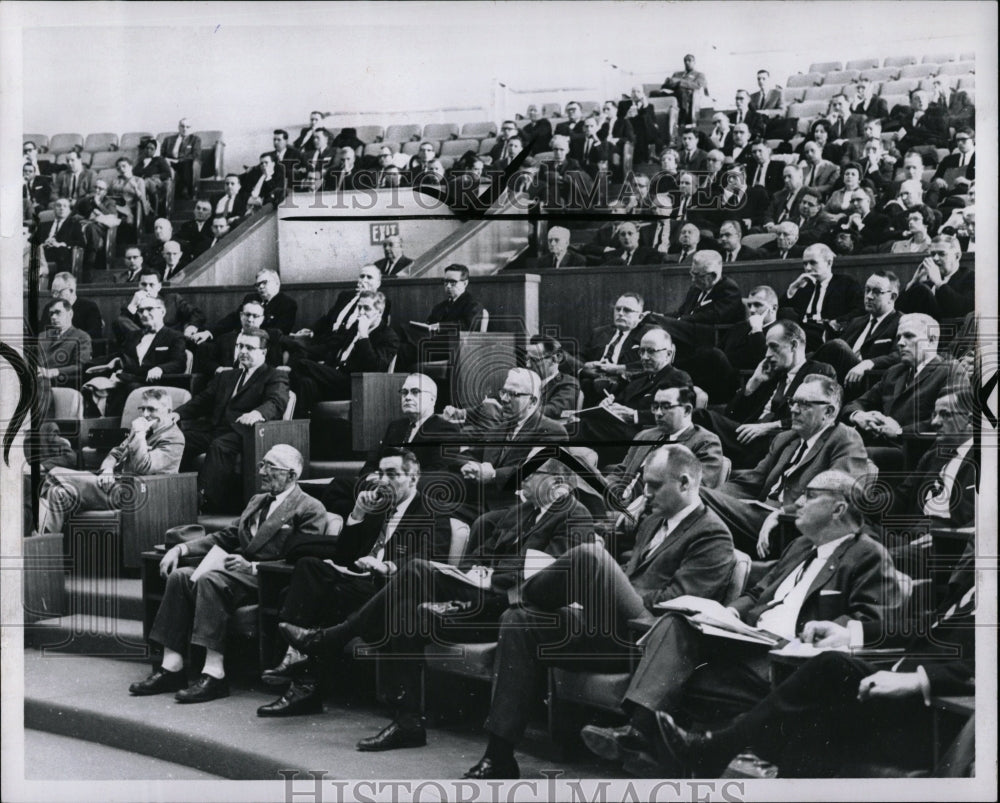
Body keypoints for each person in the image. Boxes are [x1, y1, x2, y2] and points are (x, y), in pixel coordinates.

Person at [581, 470, 900, 770]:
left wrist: (817, 633)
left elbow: (871, 621)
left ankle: (642, 737)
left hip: (787, 657)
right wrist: (730, 613)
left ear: (838, 508)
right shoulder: (801, 545)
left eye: (810, 495)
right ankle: (639, 731)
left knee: (677, 664)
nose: (798, 502)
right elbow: (760, 592)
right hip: (750, 640)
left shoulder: (867, 554)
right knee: (676, 623)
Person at [465, 444, 736, 777]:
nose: (646, 494)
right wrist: (606, 585)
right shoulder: (652, 522)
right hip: (605, 629)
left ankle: (508, 591)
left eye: (654, 486)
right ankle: (500, 754)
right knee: (518, 620)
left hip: (646, 637)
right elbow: (631, 568)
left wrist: (613, 585)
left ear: (684, 483)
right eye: (645, 485)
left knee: (589, 556)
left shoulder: (712, 534)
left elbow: (680, 601)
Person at [654, 544, 974, 778]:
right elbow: (924, 627)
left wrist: (918, 680)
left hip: (936, 719)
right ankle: (719, 749)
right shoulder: (971, 586)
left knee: (831, 669)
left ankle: (717, 748)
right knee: (811, 722)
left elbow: (983, 668)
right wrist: (851, 632)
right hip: (890, 698)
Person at [256, 449, 453, 715]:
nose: (383, 481)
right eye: (380, 474)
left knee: (304, 594)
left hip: (388, 591)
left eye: (392, 474)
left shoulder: (432, 512)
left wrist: (386, 566)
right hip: (358, 583)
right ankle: (301, 669)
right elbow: (345, 557)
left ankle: (301, 679)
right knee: (308, 568)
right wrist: (358, 513)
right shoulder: (376, 508)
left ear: (413, 478)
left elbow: (431, 559)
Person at [128, 445, 326, 703]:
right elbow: (226, 536)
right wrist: (181, 547)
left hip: (268, 579)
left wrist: (252, 567)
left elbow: (305, 559)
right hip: (234, 575)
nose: (262, 471)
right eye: (262, 464)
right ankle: (172, 667)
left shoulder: (310, 508)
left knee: (210, 578)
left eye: (270, 467)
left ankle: (215, 673)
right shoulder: (257, 501)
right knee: (180, 577)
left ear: (291, 475)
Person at [701, 374, 868, 554]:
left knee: (693, 499)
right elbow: (750, 481)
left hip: (789, 526)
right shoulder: (786, 438)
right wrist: (716, 497)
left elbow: (836, 493)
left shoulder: (844, 438)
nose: (794, 410)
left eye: (804, 404)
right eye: (793, 402)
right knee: (694, 500)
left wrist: (784, 513)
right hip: (757, 513)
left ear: (828, 412)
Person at [37, 388, 184, 535]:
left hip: (138, 494)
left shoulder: (173, 438)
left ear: (169, 411)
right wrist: (107, 470)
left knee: (55, 473)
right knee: (58, 493)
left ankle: (39, 538)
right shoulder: (145, 429)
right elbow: (114, 454)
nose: (145, 414)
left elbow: (144, 466)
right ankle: (47, 545)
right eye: (142, 409)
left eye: (151, 409)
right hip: (117, 486)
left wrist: (139, 435)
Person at [693, 320, 836, 468]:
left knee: (701, 417)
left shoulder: (818, 371)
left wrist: (768, 427)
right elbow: (731, 414)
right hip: (748, 436)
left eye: (774, 347)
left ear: (794, 345)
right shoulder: (771, 374)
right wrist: (753, 383)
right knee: (699, 420)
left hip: (776, 441)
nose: (767, 354)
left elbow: (814, 417)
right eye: (767, 347)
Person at [175, 327, 289, 512]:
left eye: (249, 348)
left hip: (243, 433)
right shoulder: (227, 375)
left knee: (219, 446)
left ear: (263, 352)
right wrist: (178, 413)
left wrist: (258, 414)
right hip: (214, 429)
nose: (242, 351)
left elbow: (275, 402)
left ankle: (202, 503)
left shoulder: (274, 375)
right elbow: (203, 400)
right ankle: (172, 492)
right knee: (179, 439)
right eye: (240, 346)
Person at [842, 313, 961, 471]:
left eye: (909, 336)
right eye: (898, 337)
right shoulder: (894, 372)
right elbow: (857, 403)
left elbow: (948, 422)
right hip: (878, 444)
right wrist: (859, 416)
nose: (900, 343)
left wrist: (899, 431)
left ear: (932, 340)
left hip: (914, 452)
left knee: (851, 456)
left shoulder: (949, 371)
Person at [457, 368, 567, 513]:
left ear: (532, 401)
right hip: (481, 502)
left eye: (513, 394)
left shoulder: (553, 431)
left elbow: (531, 471)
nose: (504, 399)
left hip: (517, 509)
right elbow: (472, 454)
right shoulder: (498, 429)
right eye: (503, 392)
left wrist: (493, 475)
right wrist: (470, 466)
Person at [575, 328, 692, 463]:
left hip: (645, 439)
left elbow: (680, 414)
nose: (644, 357)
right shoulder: (639, 380)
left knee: (585, 427)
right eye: (641, 351)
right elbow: (618, 403)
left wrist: (635, 415)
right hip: (616, 435)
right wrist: (607, 406)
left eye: (651, 351)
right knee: (585, 428)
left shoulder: (678, 378)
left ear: (668, 353)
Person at [607, 385, 724, 500]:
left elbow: (692, 491)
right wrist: (604, 485)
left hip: (654, 511)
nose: (658, 413)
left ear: (687, 410)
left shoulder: (705, 443)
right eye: (655, 406)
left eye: (666, 407)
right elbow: (621, 472)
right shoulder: (645, 435)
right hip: (618, 501)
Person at [289, 291, 399, 411]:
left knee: (302, 364)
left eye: (366, 308)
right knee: (305, 383)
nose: (361, 312)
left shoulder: (388, 336)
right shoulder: (353, 327)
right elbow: (332, 349)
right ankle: (304, 427)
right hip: (334, 377)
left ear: (379, 312)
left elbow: (375, 367)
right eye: (359, 307)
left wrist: (363, 335)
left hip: (355, 384)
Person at [83, 296, 187, 417]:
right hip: (128, 378)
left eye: (149, 309)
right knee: (90, 385)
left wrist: (160, 369)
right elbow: (121, 355)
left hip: (152, 382)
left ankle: (118, 427)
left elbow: (179, 362)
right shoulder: (133, 336)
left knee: (130, 387)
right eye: (141, 310)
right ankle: (99, 425)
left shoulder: (174, 336)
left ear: (162, 311)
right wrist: (94, 364)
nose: (144, 314)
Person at [812, 270, 902, 389]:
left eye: (876, 292)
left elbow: (899, 355)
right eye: (867, 290)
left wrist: (869, 363)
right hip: (842, 379)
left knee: (837, 346)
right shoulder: (857, 322)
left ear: (892, 297)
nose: (869, 296)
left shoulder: (901, 322)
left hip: (868, 382)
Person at [284, 265, 384, 362]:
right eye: (362, 276)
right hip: (325, 339)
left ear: (378, 283)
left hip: (341, 346)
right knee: (288, 344)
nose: (364, 280)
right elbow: (328, 318)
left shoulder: (379, 304)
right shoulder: (346, 296)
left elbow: (371, 329)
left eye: (369, 277)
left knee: (299, 353)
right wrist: (311, 330)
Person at [651, 250, 744, 355]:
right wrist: (663, 315)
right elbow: (681, 311)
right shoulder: (696, 288)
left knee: (655, 325)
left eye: (697, 275)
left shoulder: (729, 289)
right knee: (650, 321)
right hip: (687, 330)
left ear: (713, 275)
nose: (693, 279)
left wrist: (681, 319)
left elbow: (716, 316)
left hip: (707, 336)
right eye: (692, 273)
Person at [782, 243, 864, 350]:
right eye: (805, 264)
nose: (807, 268)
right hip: (801, 331)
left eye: (813, 263)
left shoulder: (846, 283)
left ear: (829, 262)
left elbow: (860, 310)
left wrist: (836, 322)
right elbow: (781, 310)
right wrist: (793, 288)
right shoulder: (803, 286)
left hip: (826, 333)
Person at [577, 292, 655, 403]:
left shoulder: (648, 334)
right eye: (618, 309)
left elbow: (651, 363)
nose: (620, 314)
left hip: (623, 389)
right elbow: (579, 355)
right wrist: (584, 366)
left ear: (640, 317)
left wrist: (617, 368)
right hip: (590, 383)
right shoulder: (599, 332)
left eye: (627, 310)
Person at [196, 269, 298, 344]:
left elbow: (279, 332)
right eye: (258, 285)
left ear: (277, 283)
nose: (260, 287)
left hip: (266, 346)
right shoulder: (251, 298)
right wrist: (209, 332)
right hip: (239, 341)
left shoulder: (288, 304)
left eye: (264, 283)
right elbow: (233, 319)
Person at [112, 268, 206, 346]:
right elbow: (122, 323)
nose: (147, 289)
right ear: (138, 285)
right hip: (143, 344)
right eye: (143, 284)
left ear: (159, 286)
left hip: (170, 342)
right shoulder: (131, 301)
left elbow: (197, 313)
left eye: (151, 285)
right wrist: (133, 304)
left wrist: (191, 327)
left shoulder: (172, 299)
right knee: (119, 320)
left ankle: (156, 340)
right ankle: (150, 340)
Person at [896, 234, 974, 320]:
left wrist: (938, 283)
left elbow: (963, 309)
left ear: (957, 256)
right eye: (932, 254)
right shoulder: (928, 282)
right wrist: (913, 281)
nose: (935, 258)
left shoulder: (970, 277)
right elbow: (898, 309)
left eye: (942, 254)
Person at [195, 299, 281, 375]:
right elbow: (207, 362)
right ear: (241, 316)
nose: (250, 320)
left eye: (255, 316)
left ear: (262, 319)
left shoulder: (269, 341)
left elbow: (273, 367)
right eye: (247, 315)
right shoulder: (225, 339)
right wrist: (219, 369)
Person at [39, 272, 103, 343]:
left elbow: (95, 334)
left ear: (71, 290)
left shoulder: (89, 307)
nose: (54, 296)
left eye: (58, 292)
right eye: (53, 292)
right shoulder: (49, 307)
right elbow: (43, 333)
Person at [661, 54, 709, 126]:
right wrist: (669, 82)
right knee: (654, 93)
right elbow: (667, 85)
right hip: (674, 93)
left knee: (681, 92)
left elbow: (697, 85)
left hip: (688, 96)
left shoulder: (699, 75)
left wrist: (680, 82)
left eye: (689, 60)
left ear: (694, 62)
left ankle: (683, 119)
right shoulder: (677, 74)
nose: (687, 62)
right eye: (685, 61)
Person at [160, 119, 201, 199]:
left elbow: (196, 155)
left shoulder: (195, 140)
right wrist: (165, 160)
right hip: (169, 163)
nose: (185, 129)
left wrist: (179, 160)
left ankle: (184, 190)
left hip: (184, 163)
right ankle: (165, 193)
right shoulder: (168, 140)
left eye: (187, 127)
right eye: (182, 126)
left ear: (191, 128)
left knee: (187, 163)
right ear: (178, 127)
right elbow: (162, 154)